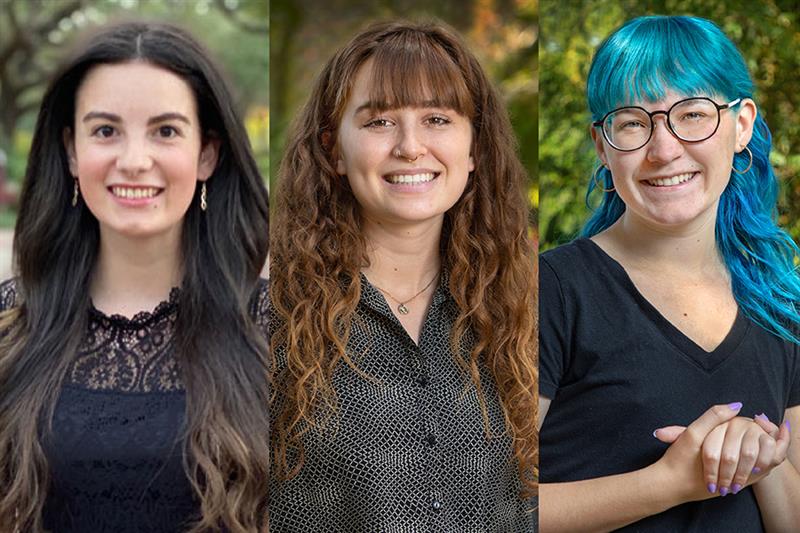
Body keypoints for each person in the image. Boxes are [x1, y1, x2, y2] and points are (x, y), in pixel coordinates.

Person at [0, 22, 270, 533]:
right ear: (72, 151)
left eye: (165, 131)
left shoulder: (274, 326)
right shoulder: (9, 325)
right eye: (106, 131)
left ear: (207, 153)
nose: (134, 161)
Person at [269, 21, 537, 532]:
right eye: (379, 122)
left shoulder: (522, 306)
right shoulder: (268, 312)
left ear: (475, 147)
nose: (411, 147)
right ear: (334, 150)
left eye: (437, 118)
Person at [539, 15, 800, 532]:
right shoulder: (549, 291)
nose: (664, 150)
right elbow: (476, 503)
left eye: (693, 114)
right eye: (634, 123)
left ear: (742, 124)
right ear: (602, 145)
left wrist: (757, 459)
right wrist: (666, 484)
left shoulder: (781, 304)